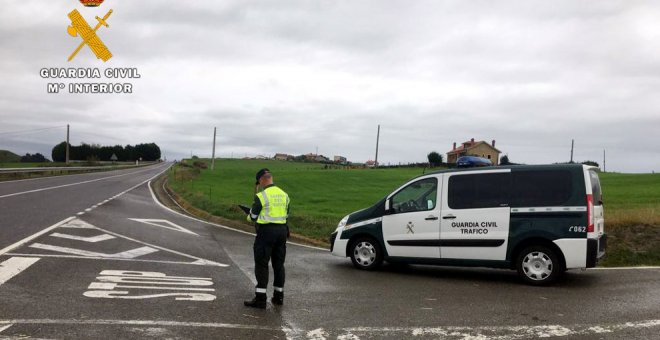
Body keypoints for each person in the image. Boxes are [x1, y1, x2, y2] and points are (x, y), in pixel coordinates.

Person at [244, 168, 290, 309]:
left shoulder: (261, 196)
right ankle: (278, 296)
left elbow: (253, 217)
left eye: (259, 183)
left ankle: (260, 299)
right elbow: (286, 215)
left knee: (262, 264)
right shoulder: (284, 195)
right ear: (271, 178)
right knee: (278, 264)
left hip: (266, 232)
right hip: (282, 231)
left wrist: (248, 214)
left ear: (261, 180)